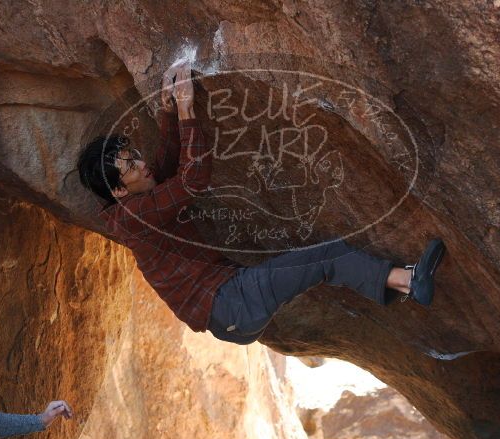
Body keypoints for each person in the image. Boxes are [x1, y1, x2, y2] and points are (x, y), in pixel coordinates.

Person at [77, 62, 446, 346]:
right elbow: (191, 179)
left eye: (133, 155)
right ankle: (412, 281)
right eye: (129, 166)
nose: (140, 163)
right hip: (230, 304)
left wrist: (169, 113)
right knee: (326, 258)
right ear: (119, 190)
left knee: (320, 261)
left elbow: (165, 166)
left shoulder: (134, 203)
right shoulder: (133, 218)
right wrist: (188, 109)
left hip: (231, 300)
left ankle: (403, 284)